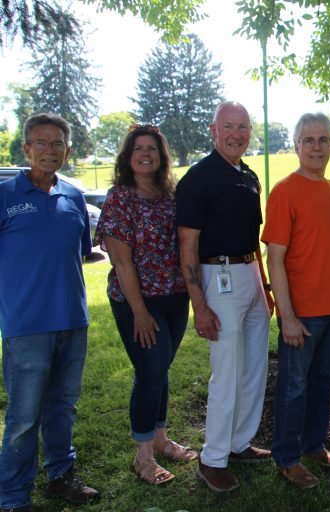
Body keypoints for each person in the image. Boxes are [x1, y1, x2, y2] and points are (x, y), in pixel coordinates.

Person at [0, 113, 100, 511]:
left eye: (57, 143)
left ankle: (61, 476)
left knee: (63, 407)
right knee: (24, 418)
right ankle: (12, 495)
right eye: (40, 143)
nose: (49, 150)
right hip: (25, 326)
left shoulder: (74, 197)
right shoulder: (5, 196)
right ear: (26, 149)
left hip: (73, 322)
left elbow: (80, 253)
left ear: (67, 150)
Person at [176, 101, 274, 493]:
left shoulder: (249, 175)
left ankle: (239, 442)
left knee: (254, 367)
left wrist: (264, 288)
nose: (236, 134)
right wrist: (199, 305)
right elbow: (187, 245)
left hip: (250, 274)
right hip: (217, 277)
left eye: (243, 127)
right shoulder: (198, 178)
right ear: (214, 130)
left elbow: (252, 238)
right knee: (227, 371)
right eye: (228, 126)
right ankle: (212, 457)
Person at [94, 124, 195, 486]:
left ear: (161, 155)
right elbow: (121, 262)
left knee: (160, 369)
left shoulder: (171, 195)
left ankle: (160, 437)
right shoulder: (120, 197)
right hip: (138, 301)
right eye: (139, 148)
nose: (146, 154)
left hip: (174, 297)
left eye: (152, 148)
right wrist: (139, 312)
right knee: (151, 371)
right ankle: (143, 456)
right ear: (128, 156)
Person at [261, 112, 330, 489]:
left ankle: (315, 445)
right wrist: (287, 316)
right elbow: (275, 259)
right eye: (308, 140)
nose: (317, 147)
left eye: (323, 139)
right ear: (297, 145)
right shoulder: (285, 191)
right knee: (293, 387)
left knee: (323, 382)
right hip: (301, 315)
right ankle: (287, 457)